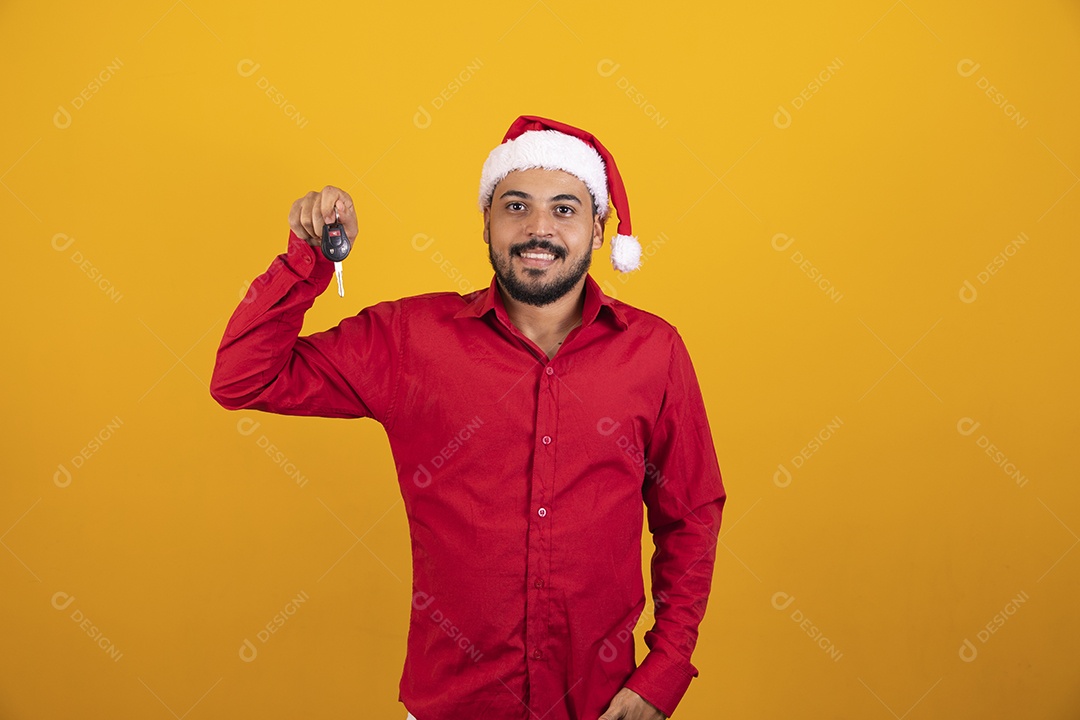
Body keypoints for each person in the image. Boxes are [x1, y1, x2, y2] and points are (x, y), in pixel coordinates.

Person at [210, 115, 726, 720]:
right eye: (516, 206)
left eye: (564, 209)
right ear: (486, 221)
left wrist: (662, 674)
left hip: (602, 707)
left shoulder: (654, 352)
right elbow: (244, 376)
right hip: (450, 706)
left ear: (598, 225)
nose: (539, 229)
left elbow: (690, 517)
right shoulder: (410, 341)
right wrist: (307, 262)